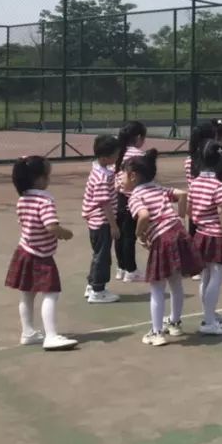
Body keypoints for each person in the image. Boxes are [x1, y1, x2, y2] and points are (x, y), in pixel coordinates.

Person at [125, 151, 199, 346]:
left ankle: (156, 332)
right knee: (175, 282)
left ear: (133, 176)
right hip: (178, 233)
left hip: (163, 240)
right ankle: (175, 322)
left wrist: (139, 235)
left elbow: (143, 216)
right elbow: (183, 194)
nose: (121, 179)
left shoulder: (135, 196)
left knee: (157, 287)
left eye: (123, 174)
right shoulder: (158, 189)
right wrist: (181, 217)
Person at [5, 156, 78, 351]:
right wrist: (64, 233)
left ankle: (28, 332)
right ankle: (51, 336)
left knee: (27, 294)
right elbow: (51, 226)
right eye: (47, 176)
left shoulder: (22, 199)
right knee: (51, 293)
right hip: (40, 255)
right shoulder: (44, 201)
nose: (49, 180)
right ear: (38, 179)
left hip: (24, 250)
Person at [187, 141, 222, 335]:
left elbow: (189, 209)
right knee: (217, 276)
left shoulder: (195, 183)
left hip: (200, 233)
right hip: (215, 235)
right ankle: (208, 321)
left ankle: (209, 314)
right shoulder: (218, 186)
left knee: (205, 276)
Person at [82, 135, 121, 303]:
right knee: (103, 256)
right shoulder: (102, 178)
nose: (118, 157)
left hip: (96, 221)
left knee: (98, 254)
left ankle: (92, 285)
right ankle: (98, 290)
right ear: (106, 157)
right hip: (101, 222)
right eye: (116, 154)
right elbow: (104, 203)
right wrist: (113, 226)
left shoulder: (99, 169)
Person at [114, 121, 147, 282]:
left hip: (119, 196)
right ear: (139, 137)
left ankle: (121, 268)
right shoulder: (138, 154)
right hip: (131, 197)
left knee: (120, 235)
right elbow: (143, 178)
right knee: (129, 236)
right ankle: (131, 270)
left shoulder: (119, 152)